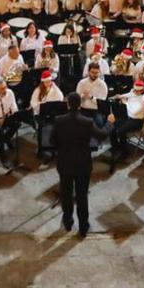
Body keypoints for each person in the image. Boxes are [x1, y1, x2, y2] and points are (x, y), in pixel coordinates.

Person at [51, 92, 107, 238]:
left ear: (68, 104)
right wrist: (109, 123)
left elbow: (52, 142)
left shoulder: (59, 121)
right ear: (80, 105)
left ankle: (68, 222)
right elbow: (101, 136)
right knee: (82, 196)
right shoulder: (87, 122)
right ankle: (83, 226)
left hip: (64, 163)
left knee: (66, 194)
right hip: (83, 164)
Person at [108, 79, 144, 171]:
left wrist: (125, 103)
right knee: (112, 130)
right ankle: (115, 148)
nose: (135, 92)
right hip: (128, 118)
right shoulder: (133, 92)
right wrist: (118, 96)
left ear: (142, 91)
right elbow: (128, 95)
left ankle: (124, 152)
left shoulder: (143, 101)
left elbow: (133, 112)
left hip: (137, 121)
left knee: (120, 131)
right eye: (134, 90)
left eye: (137, 91)